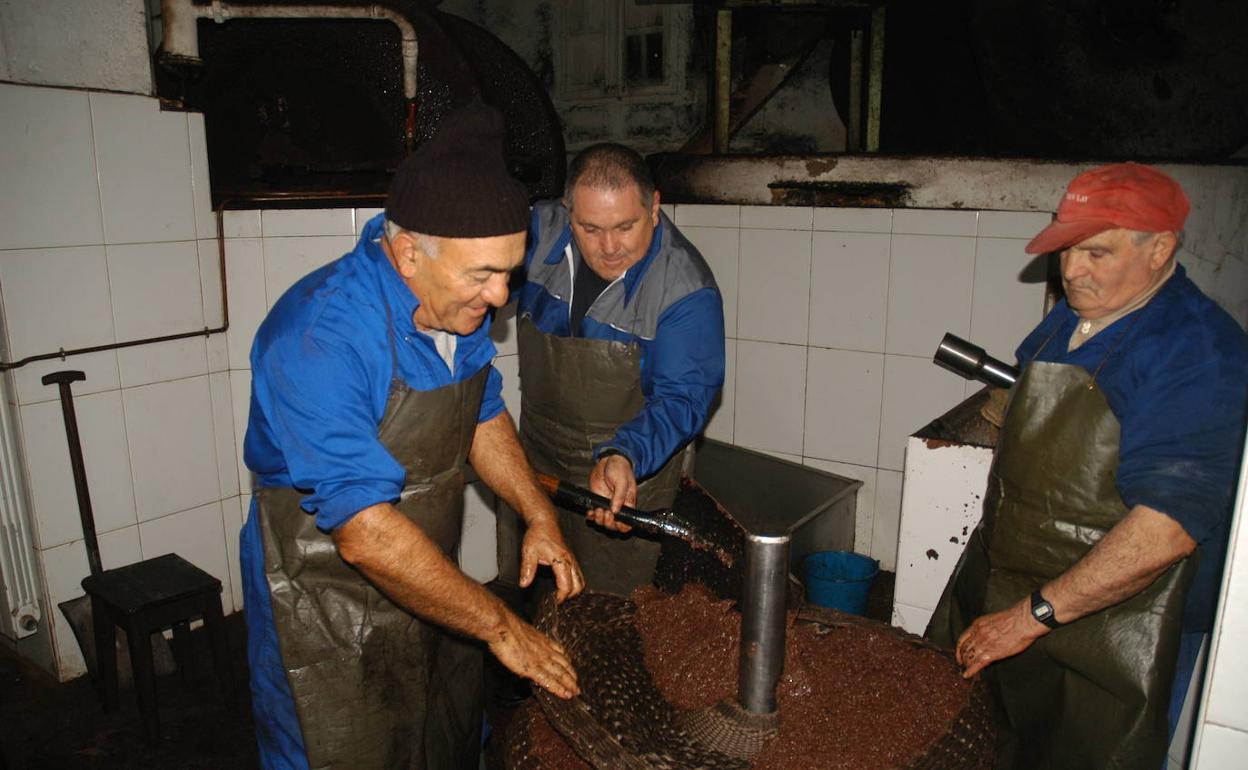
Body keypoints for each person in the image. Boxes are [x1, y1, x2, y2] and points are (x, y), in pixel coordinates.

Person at [238, 101, 585, 770]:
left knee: (444, 735)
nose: (500, 297)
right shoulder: (319, 339)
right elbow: (365, 531)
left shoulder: (457, 306)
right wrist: (502, 626)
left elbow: (480, 411)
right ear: (406, 255)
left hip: (428, 576)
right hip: (323, 596)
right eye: (481, 275)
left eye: (510, 272)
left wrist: (537, 514)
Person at [927, 162, 1247, 770]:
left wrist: (1032, 616)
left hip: (1121, 627)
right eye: (1065, 248)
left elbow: (1166, 530)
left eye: (1096, 252)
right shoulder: (1079, 312)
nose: (1073, 270)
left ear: (1160, 249)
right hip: (1018, 584)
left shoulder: (1197, 353)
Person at [497, 143, 726, 596]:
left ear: (654, 207)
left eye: (625, 226)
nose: (609, 248)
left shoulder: (685, 291)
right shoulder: (538, 234)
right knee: (530, 599)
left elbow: (684, 399)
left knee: (615, 613)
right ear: (567, 212)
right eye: (590, 228)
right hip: (536, 459)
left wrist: (623, 455)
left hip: (629, 468)